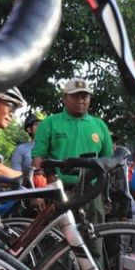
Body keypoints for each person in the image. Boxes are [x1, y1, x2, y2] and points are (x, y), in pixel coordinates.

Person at [32, 77, 113, 224]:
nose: (80, 101)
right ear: (65, 98)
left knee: (93, 239)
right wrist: (38, 192)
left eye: (85, 96)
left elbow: (108, 160)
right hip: (59, 192)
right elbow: (38, 157)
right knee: (58, 240)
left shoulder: (99, 125)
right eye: (75, 96)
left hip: (91, 192)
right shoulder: (49, 123)